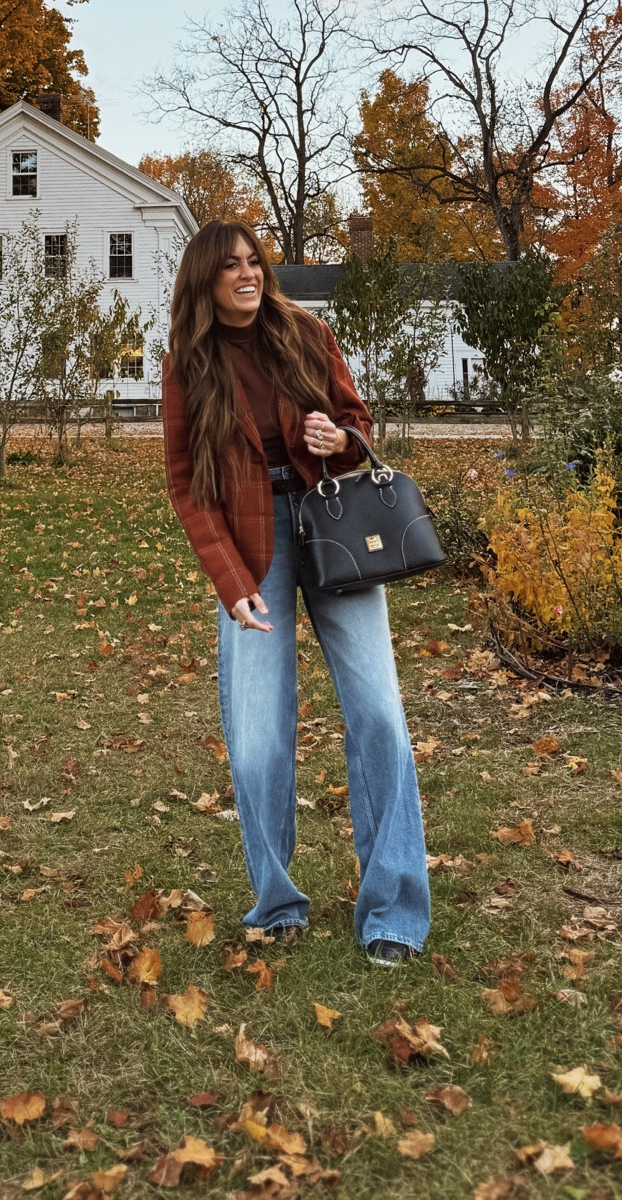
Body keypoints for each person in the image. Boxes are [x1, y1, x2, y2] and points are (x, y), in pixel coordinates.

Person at [161, 220, 431, 965]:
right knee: (257, 738)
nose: (248, 274)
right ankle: (277, 902)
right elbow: (187, 485)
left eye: (255, 262)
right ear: (205, 279)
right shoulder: (188, 362)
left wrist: (337, 440)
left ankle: (394, 912)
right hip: (253, 545)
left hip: (333, 524)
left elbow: (355, 422)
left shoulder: (307, 332)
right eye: (231, 266)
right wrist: (230, 582)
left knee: (379, 715)